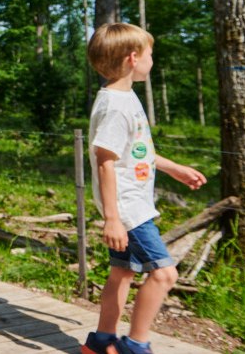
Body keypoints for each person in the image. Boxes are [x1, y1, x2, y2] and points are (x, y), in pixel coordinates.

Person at [82, 23, 206, 354]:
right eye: (151, 54)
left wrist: (173, 168)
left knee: (122, 272)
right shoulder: (115, 106)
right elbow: (105, 161)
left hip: (128, 205)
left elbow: (134, 151)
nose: (153, 60)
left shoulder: (124, 97)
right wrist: (113, 218)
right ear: (133, 58)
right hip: (127, 209)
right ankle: (135, 346)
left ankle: (101, 342)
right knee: (165, 274)